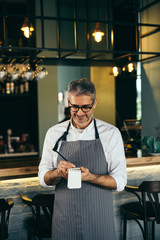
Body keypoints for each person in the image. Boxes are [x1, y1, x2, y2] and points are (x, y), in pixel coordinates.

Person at [38, 78, 127, 240]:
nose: (79, 113)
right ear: (68, 102)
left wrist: (90, 177)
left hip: (99, 219)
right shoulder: (53, 133)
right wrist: (57, 172)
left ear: (94, 103)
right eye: (74, 107)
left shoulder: (111, 133)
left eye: (85, 107)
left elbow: (120, 182)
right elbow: (43, 179)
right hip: (65, 219)